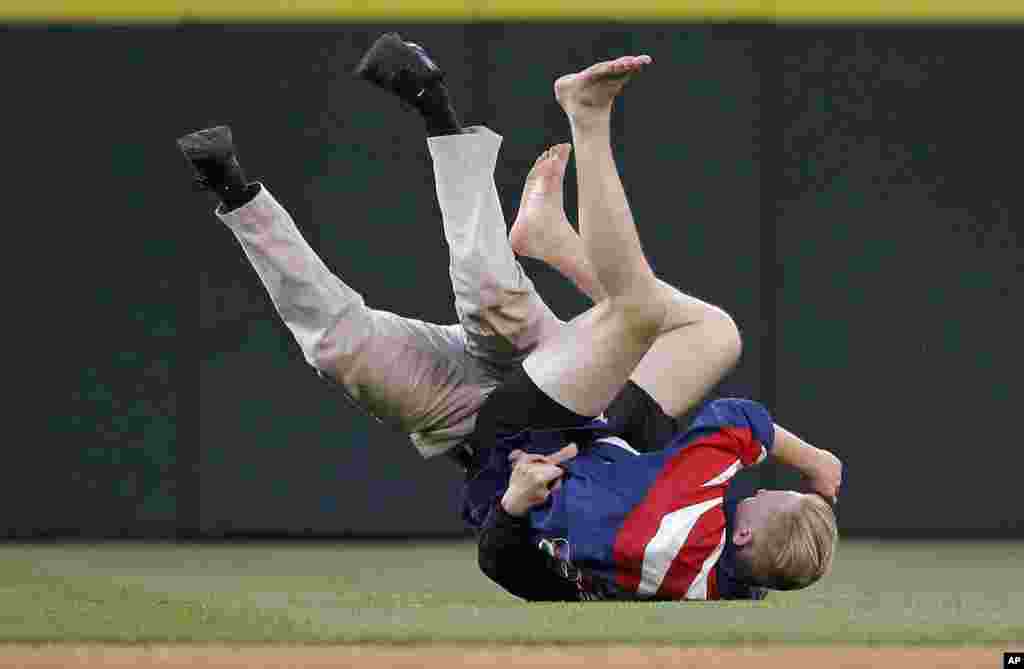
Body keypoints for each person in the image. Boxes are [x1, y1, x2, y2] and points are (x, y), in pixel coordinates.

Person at [178, 33, 841, 602]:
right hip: (567, 406)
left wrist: (815, 462)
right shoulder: (716, 564)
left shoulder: (695, 512)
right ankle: (436, 111)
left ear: (749, 533)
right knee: (495, 296)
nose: (753, 491)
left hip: (487, 426)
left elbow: (511, 563)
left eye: (764, 497)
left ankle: (238, 193)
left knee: (341, 347)